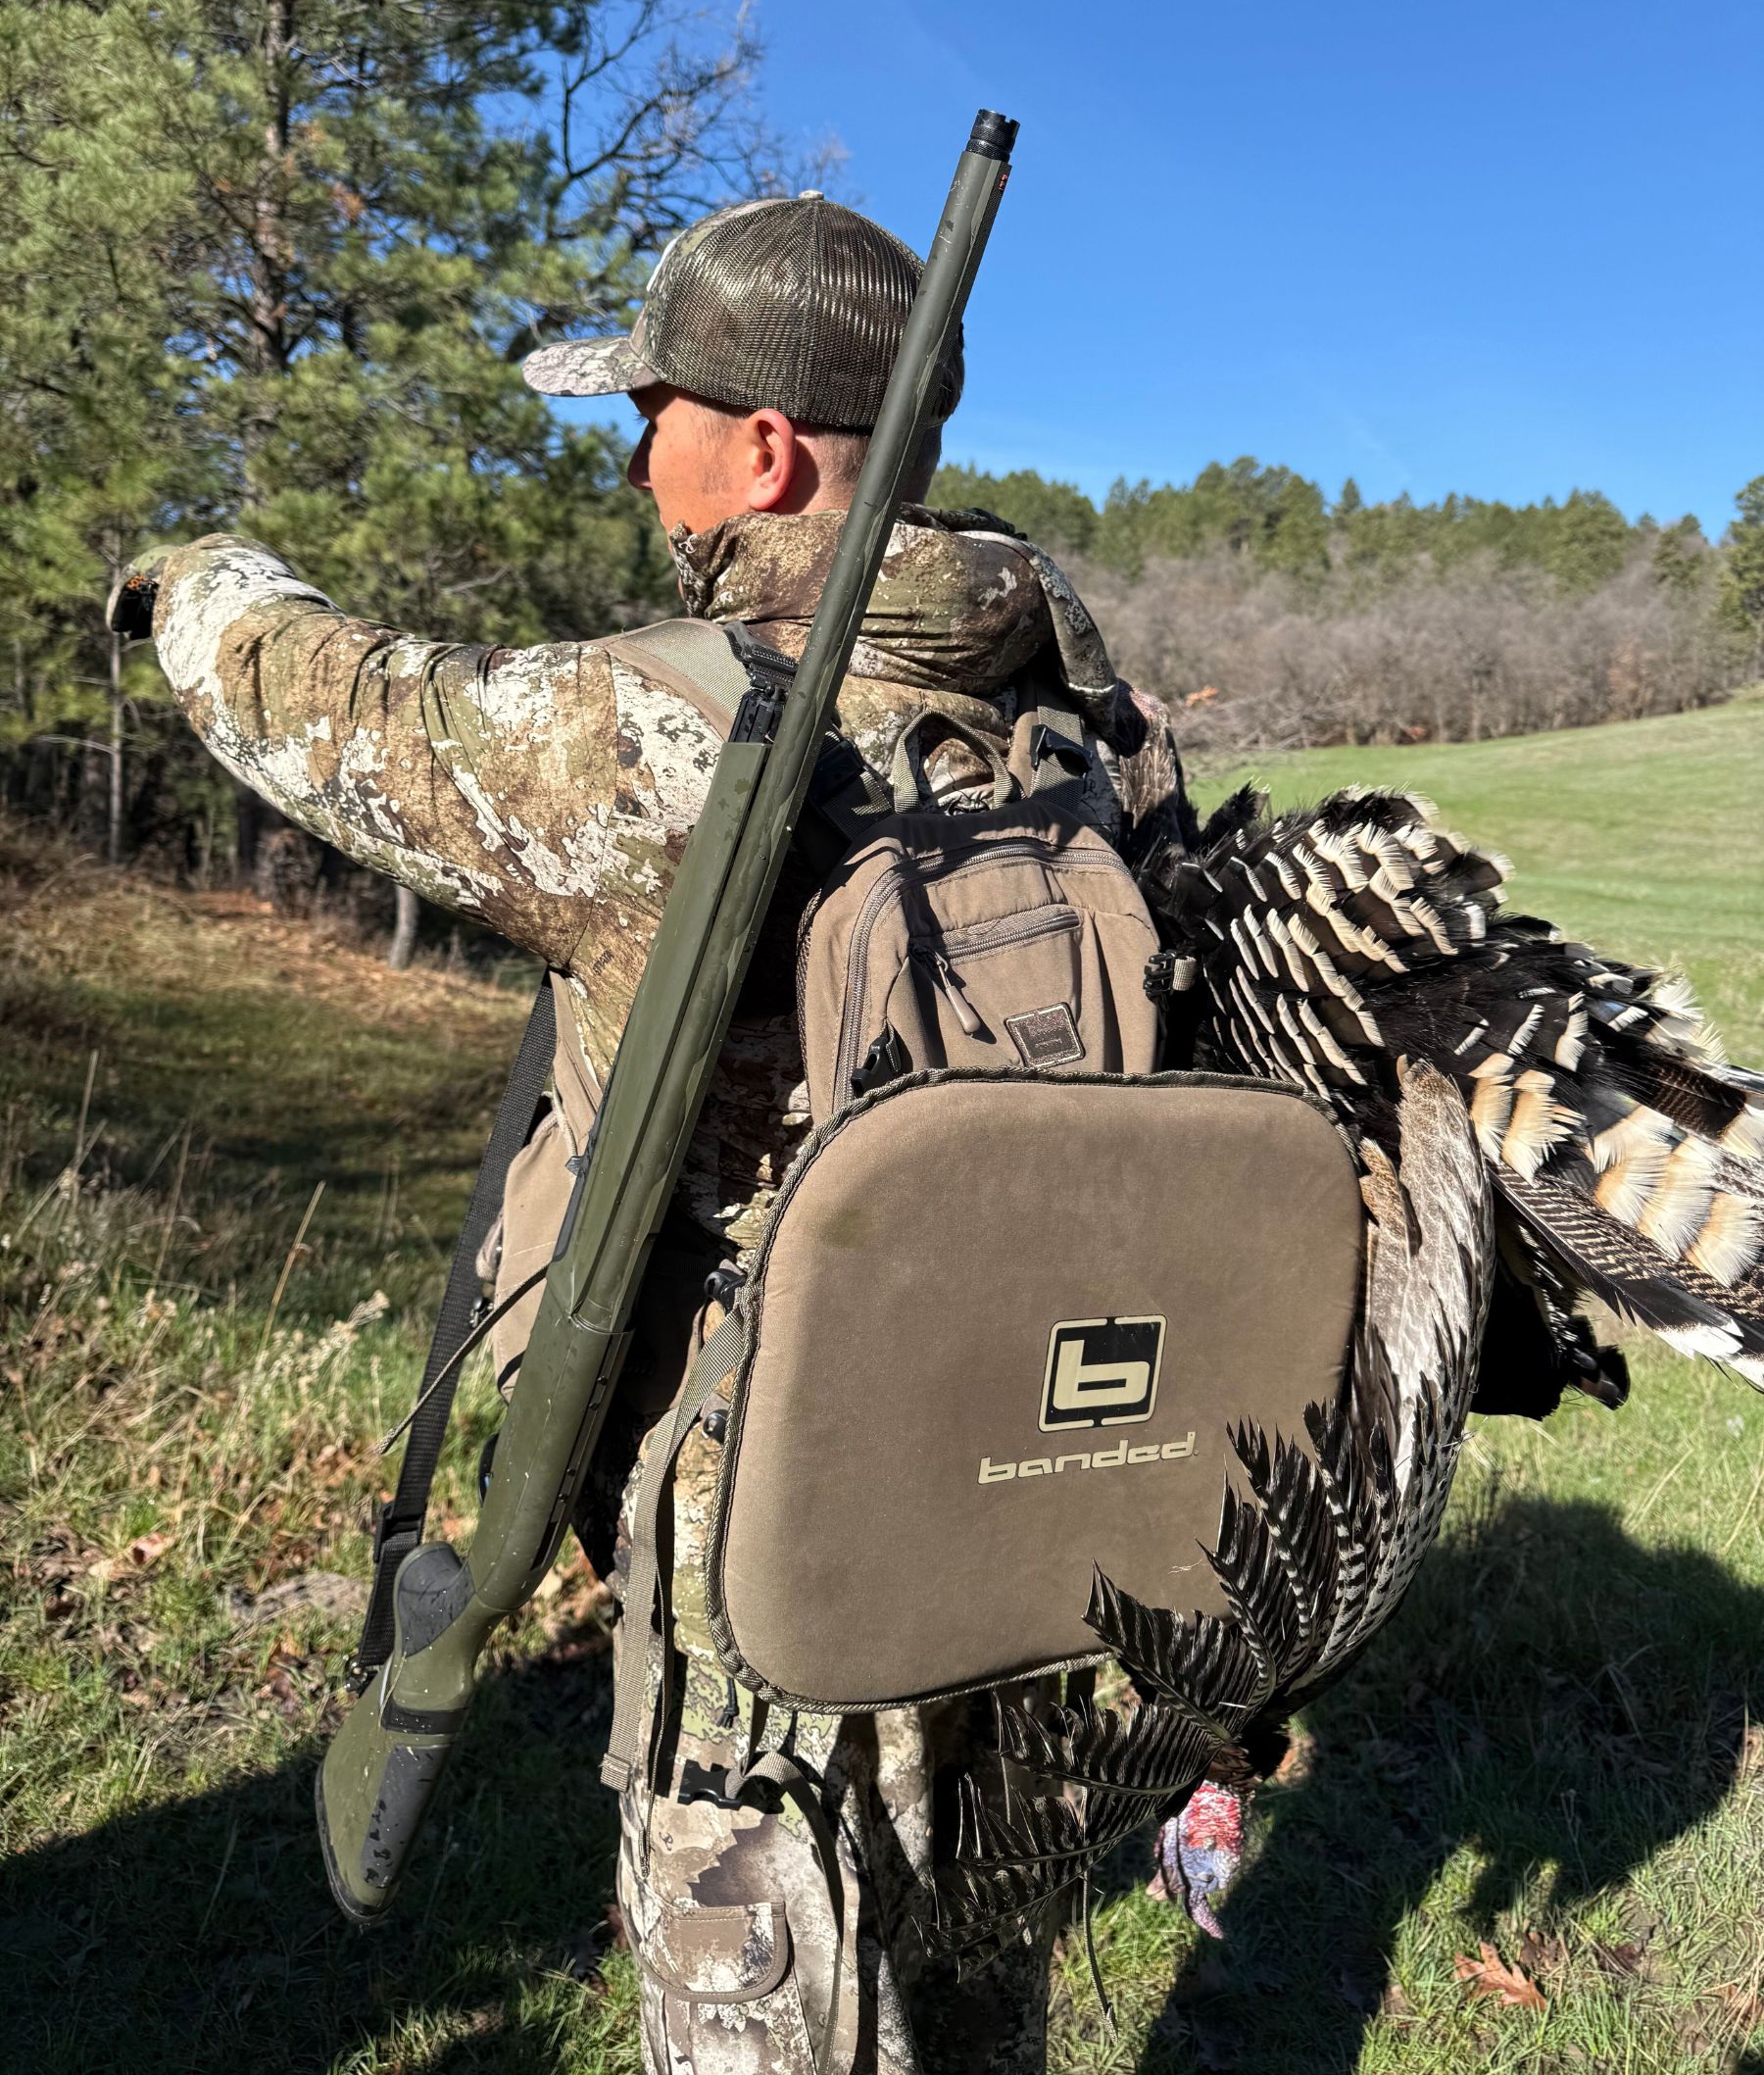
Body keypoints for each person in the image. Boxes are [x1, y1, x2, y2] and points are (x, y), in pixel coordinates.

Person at [120, 192, 1199, 2073]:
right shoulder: (1087, 720)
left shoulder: (662, 725)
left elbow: (345, 716)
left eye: (651, 409)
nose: (634, 452)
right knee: (973, 2007)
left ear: (765, 450)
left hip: (766, 1545)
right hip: (1035, 1501)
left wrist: (196, 579)